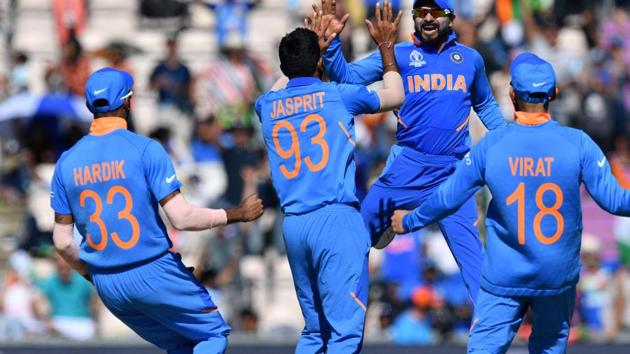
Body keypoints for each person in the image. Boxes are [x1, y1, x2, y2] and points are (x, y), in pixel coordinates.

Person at [391, 52, 630, 354]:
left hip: (505, 275)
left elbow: (448, 197)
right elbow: (616, 200)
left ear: (512, 94)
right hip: (556, 275)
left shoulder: (493, 144)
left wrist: (409, 220)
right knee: (548, 347)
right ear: (553, 94)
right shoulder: (578, 142)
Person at [50, 68, 264, 353]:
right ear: (128, 102)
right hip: (152, 269)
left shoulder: (66, 162)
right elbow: (182, 217)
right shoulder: (145, 149)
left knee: (181, 345)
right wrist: (238, 213)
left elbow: (63, 242)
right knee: (213, 335)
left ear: (91, 106)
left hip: (108, 284)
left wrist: (92, 275)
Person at [321, 0, 506, 301]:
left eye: (435, 12)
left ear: (451, 18)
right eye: (421, 13)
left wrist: (508, 140)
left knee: (476, 266)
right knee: (356, 239)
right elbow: (348, 77)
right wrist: (331, 45)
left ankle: (491, 335)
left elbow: (484, 104)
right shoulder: (398, 55)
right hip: (408, 166)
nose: (428, 18)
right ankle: (338, 313)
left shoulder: (470, 60)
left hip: (454, 174)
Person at [254, 2, 404, 352]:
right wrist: (385, 48)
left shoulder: (266, 106)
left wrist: (308, 51)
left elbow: (278, 88)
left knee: (314, 330)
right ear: (320, 61)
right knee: (344, 333)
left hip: (293, 225)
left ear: (283, 65)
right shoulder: (336, 95)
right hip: (335, 220)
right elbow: (396, 94)